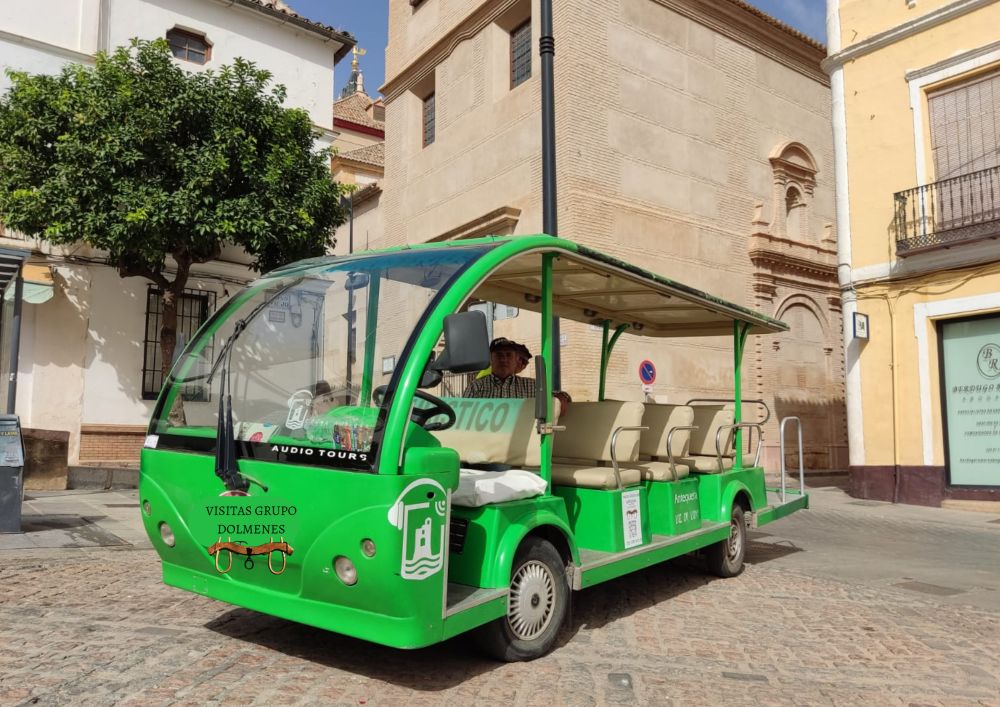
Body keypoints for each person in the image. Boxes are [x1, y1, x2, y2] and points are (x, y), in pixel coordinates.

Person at [464, 337, 571, 409]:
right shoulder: (476, 387)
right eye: (499, 355)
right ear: (490, 358)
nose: (504, 359)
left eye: (509, 355)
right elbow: (462, 415)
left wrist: (562, 397)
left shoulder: (533, 386)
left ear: (516, 359)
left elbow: (556, 398)